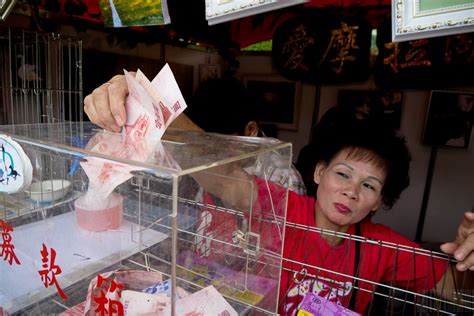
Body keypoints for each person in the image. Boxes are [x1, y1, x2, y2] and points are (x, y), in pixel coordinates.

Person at [84, 75, 474, 315]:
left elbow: (449, 289)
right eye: (343, 174)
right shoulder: (280, 206)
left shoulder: (379, 247)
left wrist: (466, 257)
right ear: (319, 173)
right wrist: (141, 97)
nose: (351, 192)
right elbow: (216, 168)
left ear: (379, 201)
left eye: (369, 186)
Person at [187, 76, 306, 195]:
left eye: (221, 145)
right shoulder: (208, 162)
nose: (214, 155)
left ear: (251, 130)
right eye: (207, 146)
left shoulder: (284, 179)